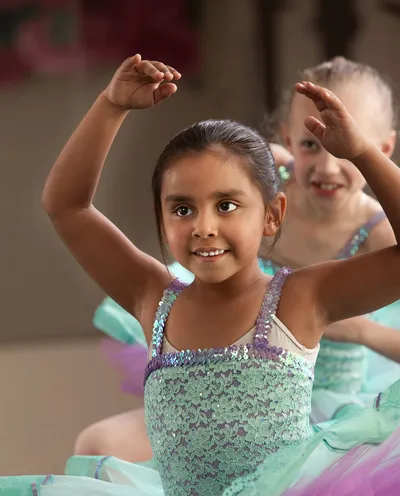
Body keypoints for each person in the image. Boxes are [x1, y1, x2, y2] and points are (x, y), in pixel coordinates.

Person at [2, 54, 400, 496]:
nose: (204, 226)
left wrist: (360, 155)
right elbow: (65, 206)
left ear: (272, 216)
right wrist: (111, 106)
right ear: (162, 217)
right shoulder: (152, 297)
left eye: (227, 204)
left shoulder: (301, 298)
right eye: (182, 209)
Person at [77, 57, 400, 461]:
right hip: (219, 385)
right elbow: (72, 207)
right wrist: (113, 104)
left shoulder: (369, 238)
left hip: (326, 408)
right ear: (287, 138)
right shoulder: (260, 179)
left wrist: (363, 333)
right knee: (98, 443)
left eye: (342, 145)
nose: (326, 164)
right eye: (310, 143)